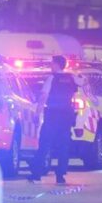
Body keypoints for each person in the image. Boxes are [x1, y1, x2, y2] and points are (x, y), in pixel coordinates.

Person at [28, 55, 84, 185]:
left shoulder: (52, 78)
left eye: (52, 63)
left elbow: (43, 96)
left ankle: (36, 175)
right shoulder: (71, 78)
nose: (50, 66)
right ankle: (60, 176)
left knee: (44, 144)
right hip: (66, 117)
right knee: (63, 146)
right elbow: (83, 83)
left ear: (57, 64)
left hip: (52, 116)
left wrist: (37, 112)